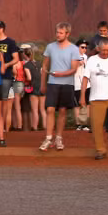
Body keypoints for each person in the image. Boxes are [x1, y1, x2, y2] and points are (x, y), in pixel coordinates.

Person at [40, 22, 83, 152]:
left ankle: (58, 138)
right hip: (52, 83)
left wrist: (60, 74)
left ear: (67, 34)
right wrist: (43, 84)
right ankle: (48, 138)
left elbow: (74, 69)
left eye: (61, 33)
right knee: (50, 110)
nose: (58, 35)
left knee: (63, 111)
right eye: (57, 32)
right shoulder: (50, 47)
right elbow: (45, 66)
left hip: (67, 84)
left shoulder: (74, 49)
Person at [0, 20, 19, 132]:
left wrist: (6, 65)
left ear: (2, 29)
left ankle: (5, 129)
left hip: (6, 76)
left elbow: (16, 58)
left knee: (5, 102)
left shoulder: (10, 42)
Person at [21, 45, 45, 131]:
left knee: (34, 109)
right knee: (42, 109)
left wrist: (25, 81)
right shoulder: (39, 63)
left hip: (33, 87)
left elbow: (29, 78)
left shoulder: (26, 65)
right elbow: (42, 74)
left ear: (25, 54)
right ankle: (45, 126)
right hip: (42, 86)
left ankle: (34, 127)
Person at [71, 40, 90, 132]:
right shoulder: (73, 56)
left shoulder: (86, 57)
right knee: (77, 105)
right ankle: (78, 124)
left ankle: (85, 123)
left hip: (86, 84)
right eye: (82, 47)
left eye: (85, 47)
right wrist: (78, 64)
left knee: (86, 104)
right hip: (77, 84)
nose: (84, 49)